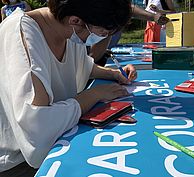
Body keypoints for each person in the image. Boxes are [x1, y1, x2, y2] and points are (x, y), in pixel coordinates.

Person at [0, 0, 137, 176]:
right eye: (103, 33)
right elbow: (38, 123)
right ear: (76, 21)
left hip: (57, 140)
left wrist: (113, 74)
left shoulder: (68, 31)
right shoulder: (21, 33)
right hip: (17, 162)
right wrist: (93, 95)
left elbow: (83, 66)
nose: (103, 38)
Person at [88, 3, 170, 66]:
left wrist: (154, 17)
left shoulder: (118, 8)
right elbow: (92, 58)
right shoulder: (104, 19)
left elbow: (128, 8)